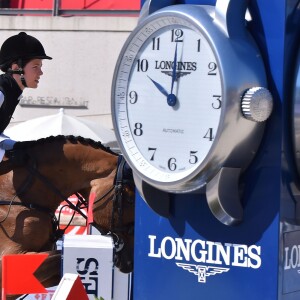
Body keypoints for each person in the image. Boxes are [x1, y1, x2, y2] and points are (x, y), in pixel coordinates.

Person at [0, 31, 52, 159]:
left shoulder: (12, 91)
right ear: (17, 67)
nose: (41, 73)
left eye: (41, 66)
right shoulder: (1, 93)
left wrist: (18, 146)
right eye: (36, 66)